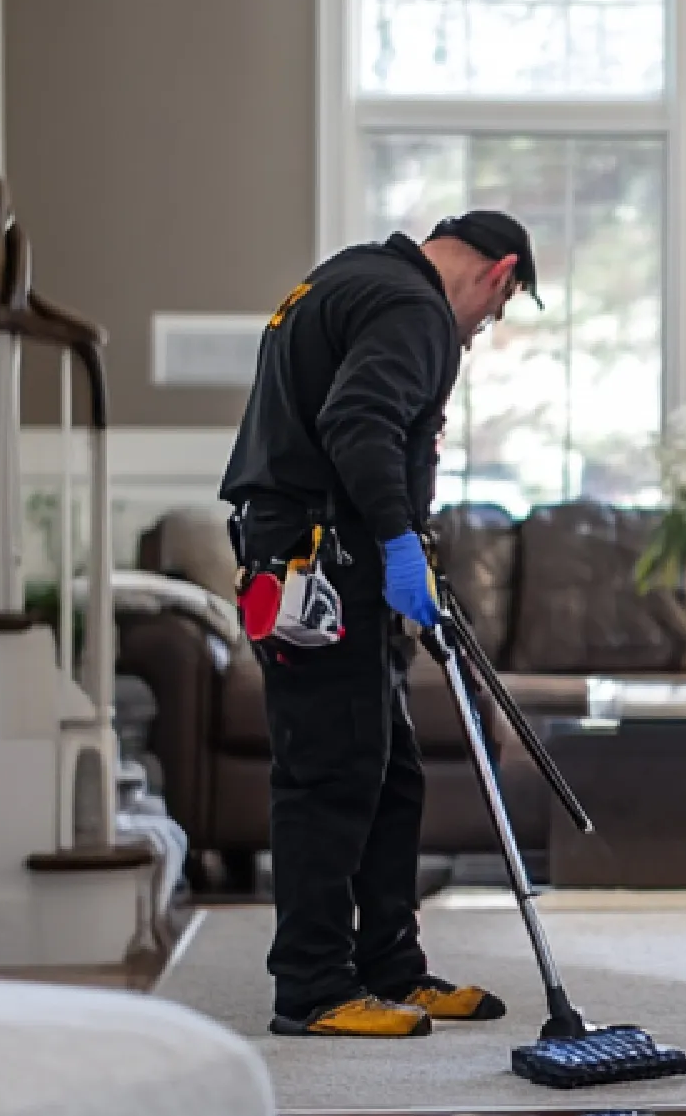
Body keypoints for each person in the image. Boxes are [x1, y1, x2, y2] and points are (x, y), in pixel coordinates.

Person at [220, 210, 539, 1039]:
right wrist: (399, 542)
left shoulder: (350, 275)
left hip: (318, 549)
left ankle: (391, 965)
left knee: (388, 769)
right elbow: (358, 423)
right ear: (498, 274)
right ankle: (314, 987)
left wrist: (408, 547)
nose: (475, 336)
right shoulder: (415, 308)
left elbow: (378, 432)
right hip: (323, 558)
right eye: (493, 317)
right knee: (331, 772)